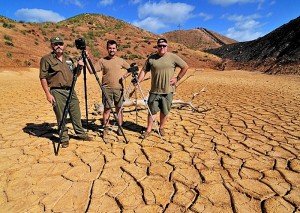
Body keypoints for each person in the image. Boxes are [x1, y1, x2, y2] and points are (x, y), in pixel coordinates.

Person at [39, 36, 94, 148]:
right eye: (56, 44)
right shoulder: (46, 59)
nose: (58, 46)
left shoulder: (68, 59)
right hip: (57, 91)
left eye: (60, 44)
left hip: (70, 90)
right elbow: (43, 77)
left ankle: (81, 134)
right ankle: (64, 138)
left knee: (76, 113)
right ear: (52, 45)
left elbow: (76, 74)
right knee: (61, 115)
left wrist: (80, 66)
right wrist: (47, 93)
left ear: (63, 45)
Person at [136, 38, 189, 138]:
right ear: (157, 47)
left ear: (167, 46)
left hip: (168, 91)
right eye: (160, 46)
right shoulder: (151, 59)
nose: (162, 47)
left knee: (164, 111)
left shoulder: (173, 57)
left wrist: (177, 78)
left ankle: (161, 128)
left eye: (164, 45)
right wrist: (138, 80)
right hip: (154, 90)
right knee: (152, 111)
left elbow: (185, 66)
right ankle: (148, 130)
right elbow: (144, 70)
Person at [88, 40, 131, 137]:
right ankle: (106, 127)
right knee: (107, 109)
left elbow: (130, 69)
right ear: (107, 49)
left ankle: (120, 127)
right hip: (106, 89)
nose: (112, 50)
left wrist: (125, 76)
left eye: (113, 48)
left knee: (119, 109)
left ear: (116, 49)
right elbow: (92, 71)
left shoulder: (121, 61)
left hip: (118, 89)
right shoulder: (102, 61)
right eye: (110, 48)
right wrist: (87, 60)